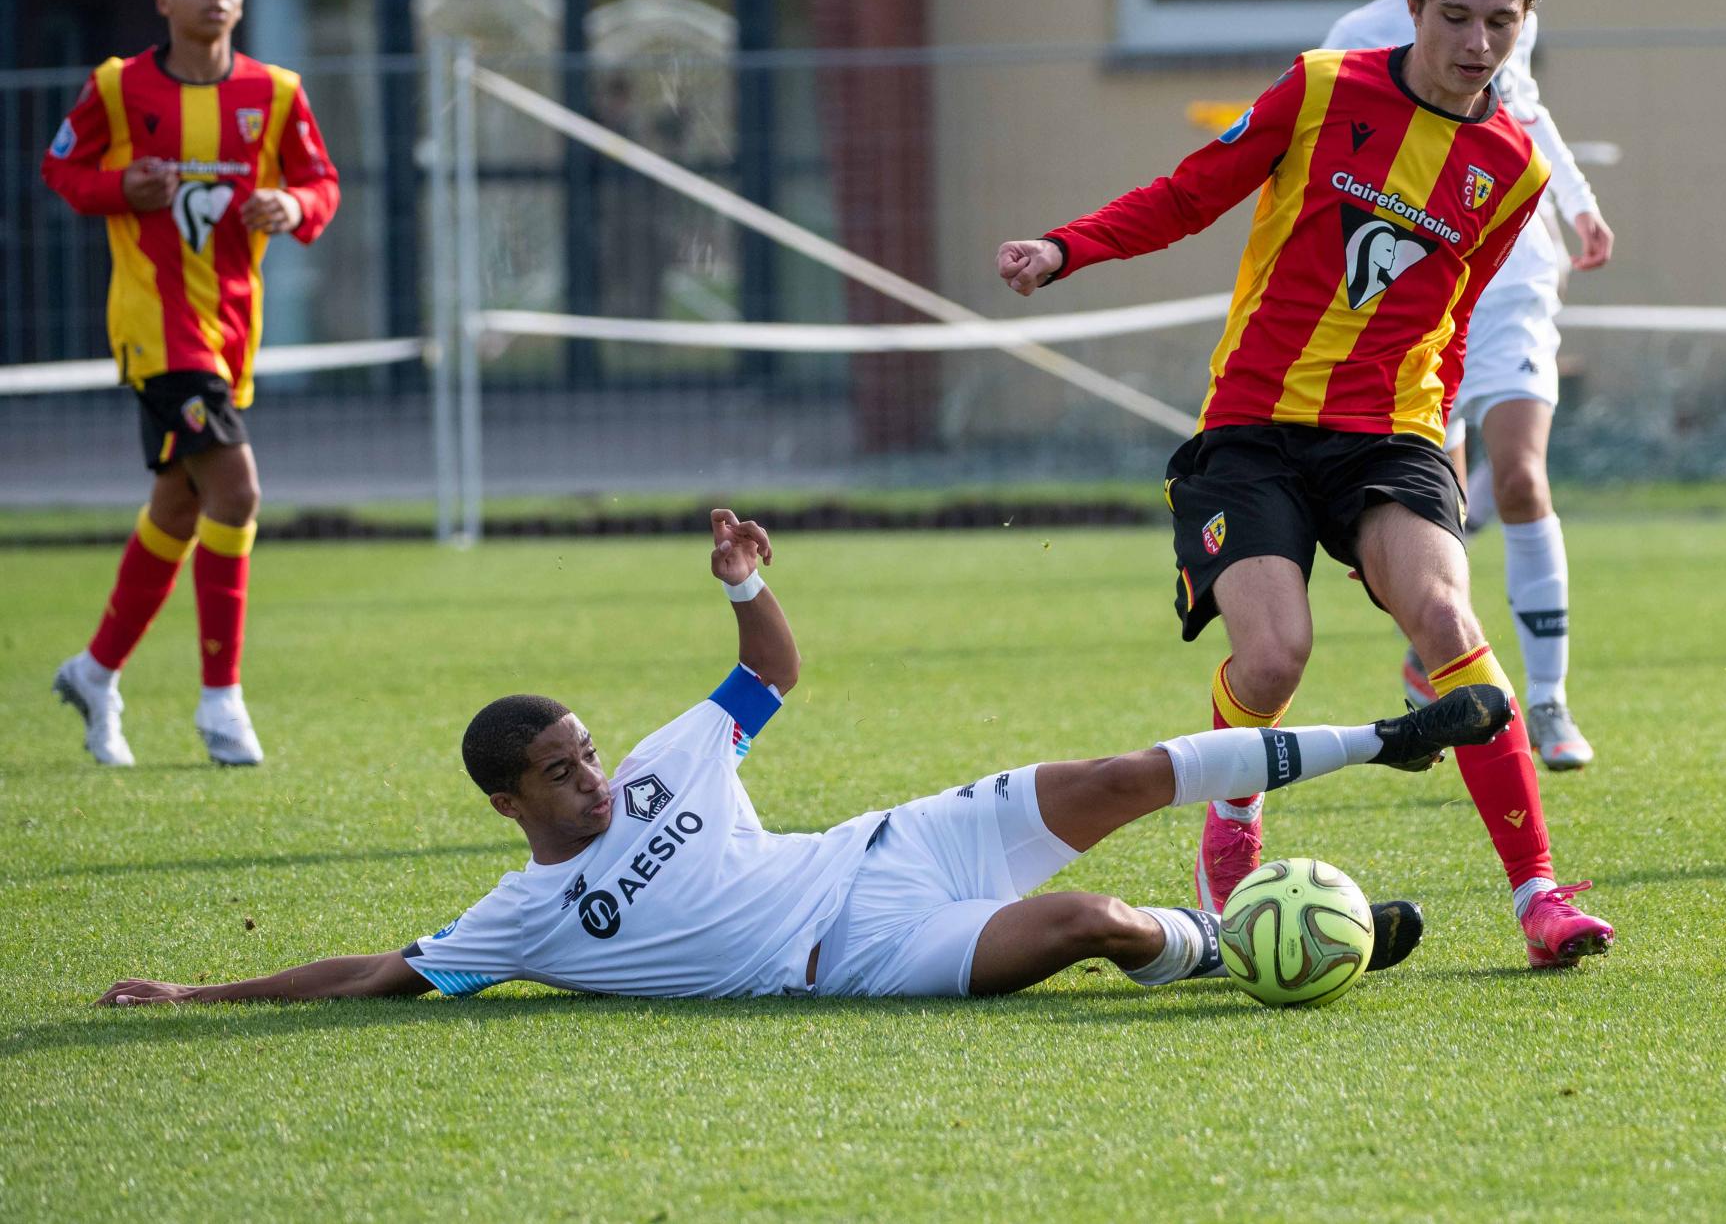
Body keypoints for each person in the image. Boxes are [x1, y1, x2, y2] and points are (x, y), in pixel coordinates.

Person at [95, 511, 1510, 1008]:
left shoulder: (665, 763)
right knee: (1089, 924)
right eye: (563, 774)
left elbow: (769, 675)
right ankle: (1241, 947)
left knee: (1125, 771)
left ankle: (1384, 741)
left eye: (589, 751)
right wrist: (192, 987)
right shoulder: (522, 919)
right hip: (857, 954)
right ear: (505, 801)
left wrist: (738, 585)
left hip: (887, 847)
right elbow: (375, 974)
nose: (596, 779)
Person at [995, 0, 1614, 968]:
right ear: (1413, 5)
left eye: (1499, 24)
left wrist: (1444, 448)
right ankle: (1232, 812)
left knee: (1447, 625)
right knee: (1275, 656)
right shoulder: (1325, 90)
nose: (1476, 45)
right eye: (1455, 16)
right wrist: (1066, 248)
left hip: (1391, 436)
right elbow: (1191, 195)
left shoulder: (1509, 165)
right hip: (1255, 428)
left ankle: (1539, 898)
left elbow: (1453, 320)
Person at [1326, 0, 1612, 771]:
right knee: (1436, 498)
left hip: (1514, 269)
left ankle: (1549, 701)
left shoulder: (1503, 21)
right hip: (1413, 284)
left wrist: (1576, 206)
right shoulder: (1355, 40)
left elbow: (1527, 114)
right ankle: (1437, 644)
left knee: (1522, 474)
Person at [39, 0, 340, 769]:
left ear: (242, 1)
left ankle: (95, 671)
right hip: (155, 329)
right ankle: (222, 702)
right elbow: (61, 168)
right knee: (237, 489)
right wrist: (118, 189)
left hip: (233, 331)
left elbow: (324, 184)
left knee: (180, 504)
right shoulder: (116, 85)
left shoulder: (275, 93)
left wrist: (290, 204)